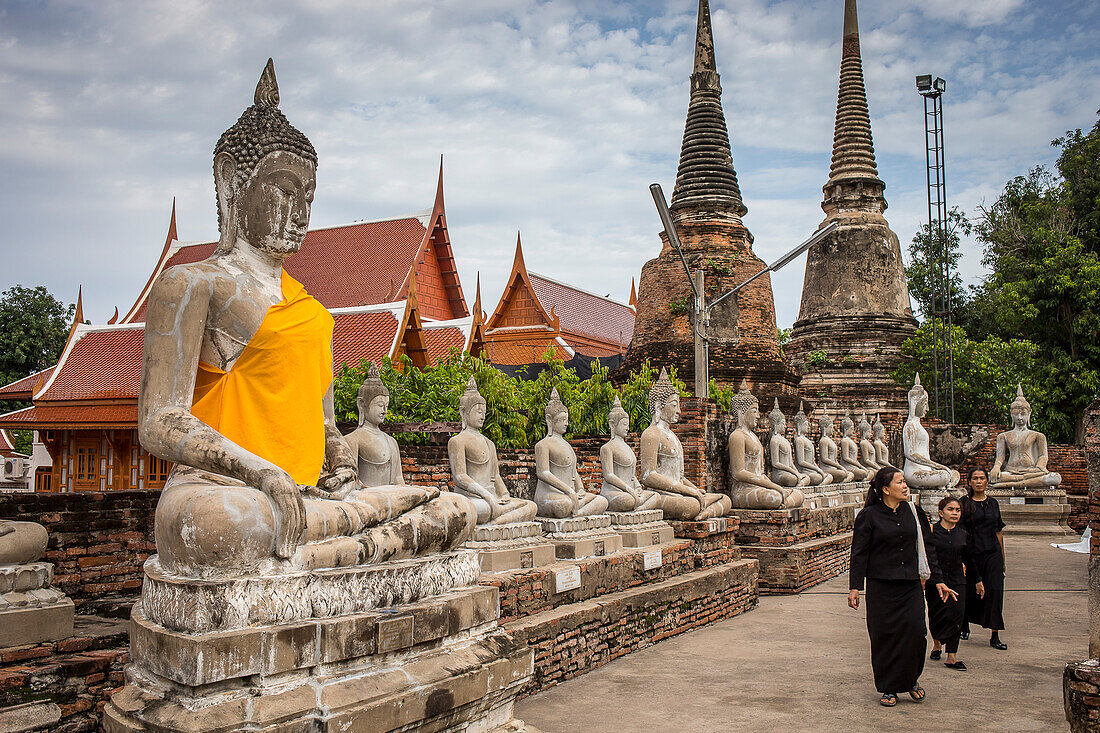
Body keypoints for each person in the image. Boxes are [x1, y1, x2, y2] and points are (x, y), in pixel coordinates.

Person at [848, 466, 955, 707]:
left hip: (910, 584)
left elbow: (928, 548)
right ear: (885, 489)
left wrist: (938, 579)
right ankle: (888, 687)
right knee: (885, 637)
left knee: (916, 634)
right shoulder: (869, 516)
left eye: (905, 482)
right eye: (899, 482)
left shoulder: (914, 512)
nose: (905, 486)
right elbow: (859, 553)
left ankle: (911, 680)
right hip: (881, 586)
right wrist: (855, 587)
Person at [926, 496, 983, 670]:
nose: (955, 513)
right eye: (951, 509)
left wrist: (978, 580)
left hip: (958, 580)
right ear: (941, 512)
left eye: (958, 510)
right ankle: (937, 643)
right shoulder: (932, 532)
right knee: (937, 614)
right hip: (935, 580)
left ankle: (952, 655)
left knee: (956, 615)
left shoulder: (963, 535)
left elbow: (970, 559)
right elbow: (929, 558)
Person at [960, 467, 1008, 649]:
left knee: (995, 592)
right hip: (972, 552)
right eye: (975, 478)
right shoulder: (964, 503)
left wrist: (1003, 559)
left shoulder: (993, 503)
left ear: (987, 481)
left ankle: (994, 634)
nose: (979, 481)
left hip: (992, 553)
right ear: (970, 482)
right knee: (970, 590)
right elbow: (961, 532)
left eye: (982, 478)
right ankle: (964, 623)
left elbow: (999, 531)